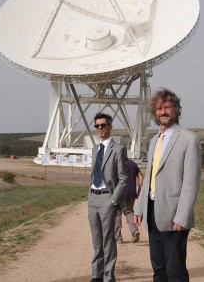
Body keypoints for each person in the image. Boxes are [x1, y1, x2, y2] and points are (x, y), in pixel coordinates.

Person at [133, 88, 202, 282]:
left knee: (175, 271)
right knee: (159, 268)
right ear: (154, 112)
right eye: (159, 108)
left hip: (174, 215)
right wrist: (139, 208)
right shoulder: (155, 140)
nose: (163, 112)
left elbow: (191, 182)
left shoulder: (189, 139)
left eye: (168, 107)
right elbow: (149, 177)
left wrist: (182, 215)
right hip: (153, 211)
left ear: (176, 110)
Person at [88, 112, 128, 282]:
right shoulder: (95, 149)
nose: (100, 129)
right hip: (93, 199)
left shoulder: (118, 150)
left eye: (103, 125)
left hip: (107, 199)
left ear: (110, 127)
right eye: (97, 126)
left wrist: (113, 200)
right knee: (97, 241)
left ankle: (108, 277)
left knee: (108, 240)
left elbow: (124, 179)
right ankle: (96, 275)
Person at [114, 159, 144, 244]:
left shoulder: (117, 162)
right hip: (131, 191)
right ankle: (134, 231)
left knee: (117, 214)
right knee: (129, 212)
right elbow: (141, 177)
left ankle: (118, 238)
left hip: (119, 191)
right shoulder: (132, 163)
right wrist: (139, 191)